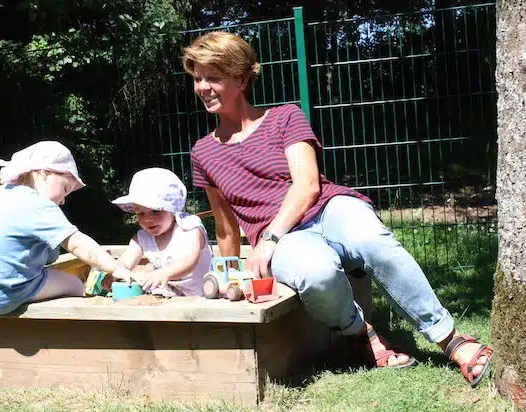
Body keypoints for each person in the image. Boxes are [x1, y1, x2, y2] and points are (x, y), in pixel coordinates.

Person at [182, 31, 492, 388]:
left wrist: (269, 238)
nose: (203, 86)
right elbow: (224, 228)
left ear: (240, 77)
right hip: (287, 240)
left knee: (373, 240)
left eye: (213, 77)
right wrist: (229, 279)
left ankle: (451, 340)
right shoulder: (203, 153)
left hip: (327, 208)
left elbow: (307, 185)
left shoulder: (284, 117)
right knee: (316, 274)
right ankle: (361, 333)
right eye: (197, 78)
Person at [0, 141, 129, 315]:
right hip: (7, 293)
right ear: (45, 173)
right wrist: (115, 268)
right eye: (65, 188)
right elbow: (77, 243)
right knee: (74, 284)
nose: (63, 201)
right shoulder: (39, 205)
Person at [110, 167, 212, 296]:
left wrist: (163, 273)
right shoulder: (142, 237)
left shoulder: (188, 228)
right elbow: (125, 262)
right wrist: (118, 271)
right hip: (166, 296)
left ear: (172, 208)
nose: (148, 219)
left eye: (156, 211)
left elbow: (189, 261)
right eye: (140, 213)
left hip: (201, 295)